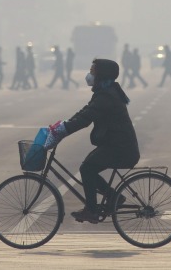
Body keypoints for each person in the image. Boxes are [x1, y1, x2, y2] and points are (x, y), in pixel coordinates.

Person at [43, 58, 139, 224]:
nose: (89, 75)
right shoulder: (105, 92)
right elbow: (84, 112)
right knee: (88, 167)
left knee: (87, 169)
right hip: (116, 145)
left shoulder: (106, 96)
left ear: (101, 75)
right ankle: (114, 197)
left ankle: (92, 210)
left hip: (122, 149)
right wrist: (64, 125)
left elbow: (85, 119)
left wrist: (64, 131)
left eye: (93, 72)